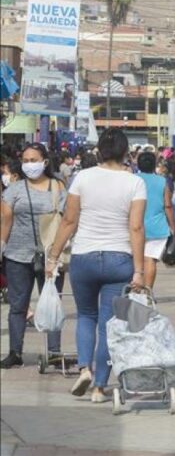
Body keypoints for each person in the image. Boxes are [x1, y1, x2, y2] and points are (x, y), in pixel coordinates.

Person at [45, 128, 146, 403]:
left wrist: (53, 256)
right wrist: (139, 270)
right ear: (126, 152)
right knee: (109, 325)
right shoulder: (134, 183)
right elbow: (136, 227)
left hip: (84, 257)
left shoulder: (83, 178)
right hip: (119, 259)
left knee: (85, 316)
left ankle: (84, 369)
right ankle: (101, 387)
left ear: (99, 151)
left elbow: (69, 221)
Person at [0, 144, 66, 369]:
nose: (30, 164)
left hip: (50, 256)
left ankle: (54, 352)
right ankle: (15, 352)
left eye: (34, 159)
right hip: (17, 255)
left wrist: (58, 253)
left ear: (45, 161)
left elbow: (67, 221)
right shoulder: (14, 189)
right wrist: (1, 246)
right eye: (26, 160)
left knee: (52, 302)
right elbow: (6, 221)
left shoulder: (58, 187)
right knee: (18, 305)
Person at [136, 152, 175, 290]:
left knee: (136, 260)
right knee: (150, 260)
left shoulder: (132, 179)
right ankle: (147, 291)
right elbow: (168, 205)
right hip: (157, 227)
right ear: (154, 165)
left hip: (134, 225)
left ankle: (136, 288)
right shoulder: (162, 181)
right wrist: (173, 227)